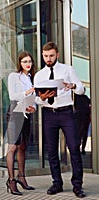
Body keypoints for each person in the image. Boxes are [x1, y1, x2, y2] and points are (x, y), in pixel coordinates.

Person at [34, 41, 86, 198]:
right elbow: (36, 99)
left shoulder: (67, 69)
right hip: (49, 114)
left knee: (74, 148)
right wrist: (41, 98)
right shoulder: (39, 75)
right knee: (51, 151)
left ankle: (77, 185)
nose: (48, 59)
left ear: (57, 54)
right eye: (45, 56)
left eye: (51, 55)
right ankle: (57, 182)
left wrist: (72, 86)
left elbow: (82, 90)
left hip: (66, 113)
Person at [5, 51, 36, 195]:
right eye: (25, 62)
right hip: (15, 114)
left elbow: (34, 98)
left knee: (23, 147)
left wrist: (33, 107)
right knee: (13, 148)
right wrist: (27, 91)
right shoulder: (14, 76)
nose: (28, 64)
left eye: (29, 61)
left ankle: (21, 177)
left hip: (26, 114)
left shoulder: (31, 78)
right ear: (19, 63)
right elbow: (13, 96)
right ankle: (11, 181)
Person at [74, 88, 91, 155]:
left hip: (84, 118)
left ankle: (82, 148)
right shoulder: (77, 97)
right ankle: (80, 148)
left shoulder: (85, 98)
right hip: (80, 118)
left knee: (82, 134)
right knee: (81, 134)